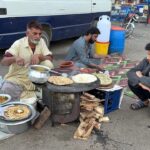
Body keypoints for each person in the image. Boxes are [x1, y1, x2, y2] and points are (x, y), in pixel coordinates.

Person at [0, 20, 53, 101]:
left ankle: (32, 95)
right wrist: (15, 58)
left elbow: (50, 57)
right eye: (35, 33)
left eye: (40, 34)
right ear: (27, 34)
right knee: (7, 89)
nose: (38, 36)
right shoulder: (18, 43)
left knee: (48, 63)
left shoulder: (41, 41)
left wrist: (39, 56)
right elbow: (3, 61)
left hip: (35, 79)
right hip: (18, 78)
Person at [127, 43, 150, 110]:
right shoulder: (146, 60)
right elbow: (131, 72)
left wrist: (141, 77)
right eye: (148, 54)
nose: (148, 57)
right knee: (131, 81)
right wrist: (141, 83)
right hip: (147, 86)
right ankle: (144, 101)